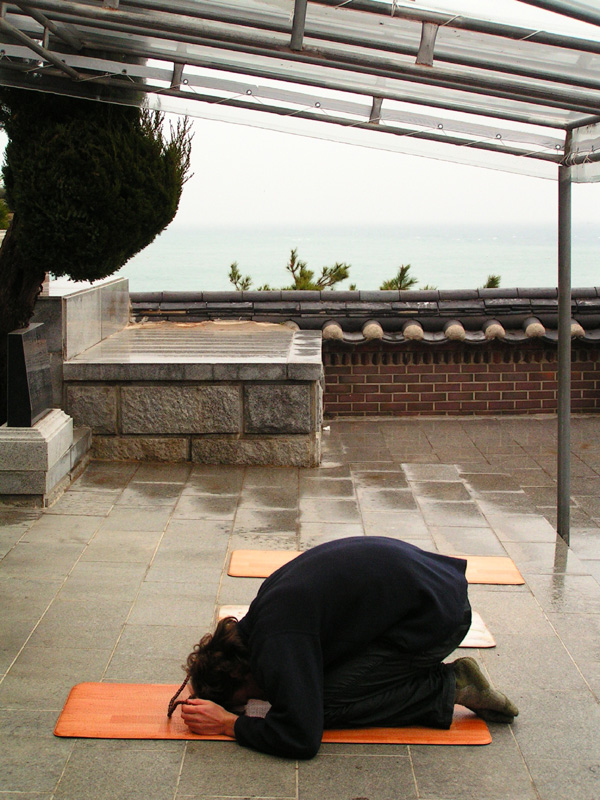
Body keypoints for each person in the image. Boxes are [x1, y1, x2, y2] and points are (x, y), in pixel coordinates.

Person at [177, 537, 518, 759]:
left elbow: (302, 735)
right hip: (437, 584)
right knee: (313, 688)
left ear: (243, 675)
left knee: (322, 704)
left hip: (438, 618)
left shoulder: (279, 644)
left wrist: (229, 723)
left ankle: (448, 686)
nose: (254, 702)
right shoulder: (262, 618)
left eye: (246, 700)